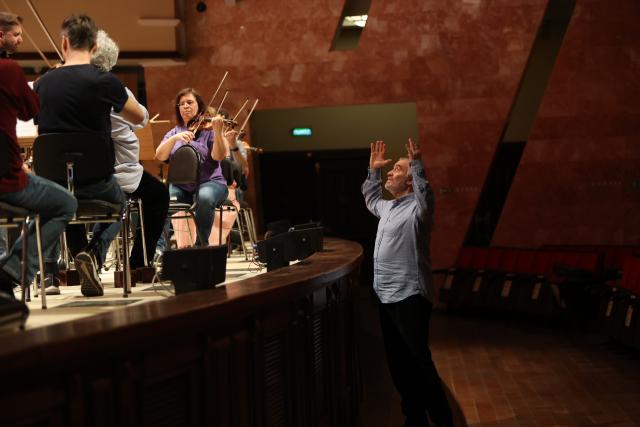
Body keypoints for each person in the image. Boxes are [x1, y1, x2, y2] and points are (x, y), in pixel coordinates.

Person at [34, 14, 146, 297]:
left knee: (64, 203)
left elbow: (40, 130)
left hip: (56, 183)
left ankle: (72, 260)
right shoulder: (105, 81)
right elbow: (138, 116)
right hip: (97, 181)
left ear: (64, 43)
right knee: (120, 201)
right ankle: (93, 253)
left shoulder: (43, 84)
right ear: (95, 46)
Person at [362, 139, 453, 427]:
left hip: (410, 294)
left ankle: (444, 420)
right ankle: (414, 417)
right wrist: (373, 171)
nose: (391, 173)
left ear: (411, 181)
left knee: (419, 362)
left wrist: (417, 165)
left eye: (397, 170)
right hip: (385, 295)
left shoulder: (418, 209)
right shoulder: (388, 207)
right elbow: (371, 198)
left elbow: (426, 195)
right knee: (398, 363)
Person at [90, 30, 169, 273]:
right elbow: (142, 118)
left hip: (82, 171)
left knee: (115, 199)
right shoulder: (116, 90)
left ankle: (80, 259)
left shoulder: (74, 92)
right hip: (119, 169)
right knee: (157, 195)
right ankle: (138, 262)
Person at [0, 52, 77, 301]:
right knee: (65, 203)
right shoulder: (8, 69)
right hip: (7, 180)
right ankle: (12, 270)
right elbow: (31, 110)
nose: (20, 39)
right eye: (15, 35)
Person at [155, 88, 228, 246]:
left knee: (205, 197)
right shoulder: (174, 132)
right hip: (182, 186)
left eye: (189, 102)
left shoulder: (209, 130)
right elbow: (160, 155)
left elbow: (218, 156)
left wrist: (218, 133)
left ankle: (200, 245)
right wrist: (174, 139)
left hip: (211, 182)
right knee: (163, 203)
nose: (185, 106)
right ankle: (159, 248)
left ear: (199, 106)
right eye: (181, 104)